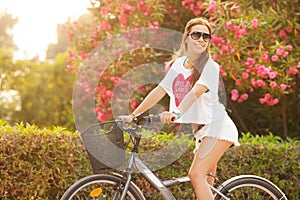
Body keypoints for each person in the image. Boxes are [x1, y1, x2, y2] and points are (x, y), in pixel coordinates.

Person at [121, 17, 240, 200]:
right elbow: (160, 90)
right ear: (186, 38)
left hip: (218, 128)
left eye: (206, 37)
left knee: (195, 175)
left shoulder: (210, 67)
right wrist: (134, 115)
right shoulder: (179, 64)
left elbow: (194, 93)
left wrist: (176, 113)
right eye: (196, 34)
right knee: (205, 189)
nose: (201, 39)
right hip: (201, 134)